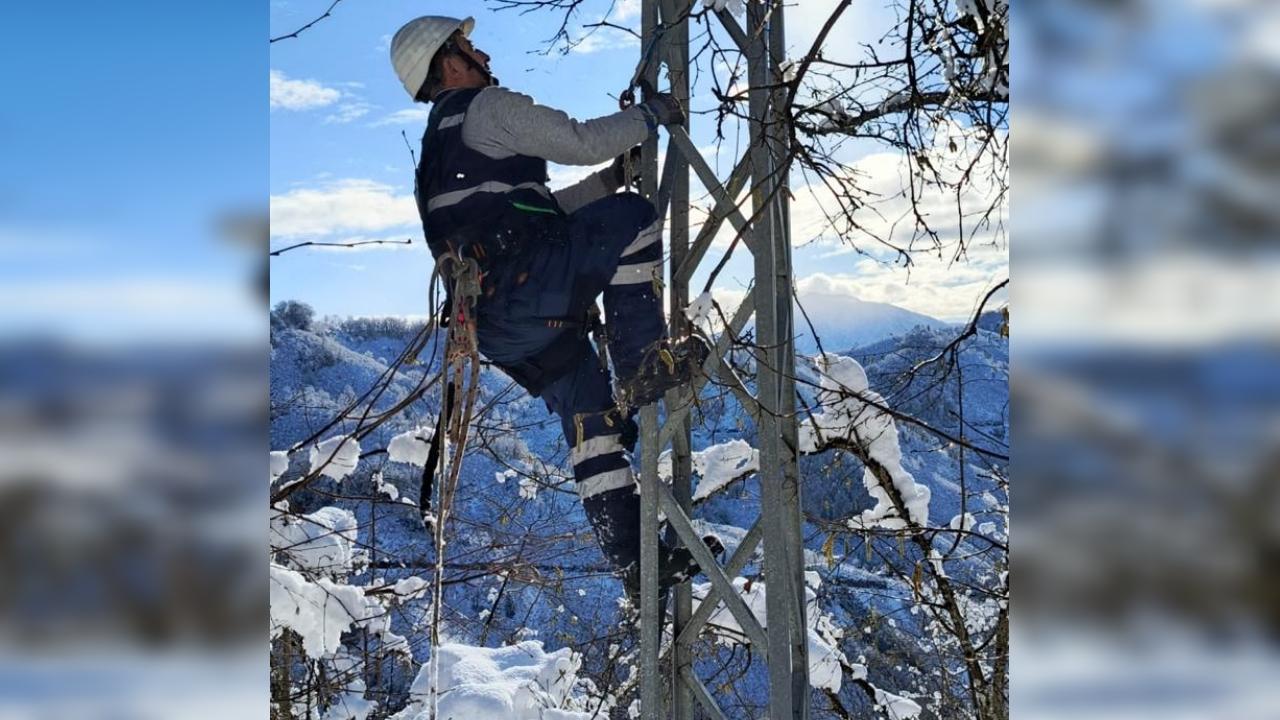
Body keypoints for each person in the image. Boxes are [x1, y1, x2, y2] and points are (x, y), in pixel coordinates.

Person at [390, 15, 708, 603]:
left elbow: (534, 211)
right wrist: (648, 118)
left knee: (592, 424)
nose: (481, 51)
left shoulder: (437, 151)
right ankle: (642, 360)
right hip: (525, 282)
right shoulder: (485, 108)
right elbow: (578, 139)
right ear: (449, 63)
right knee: (634, 218)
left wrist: (607, 179)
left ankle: (637, 563)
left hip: (493, 323)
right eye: (468, 46)